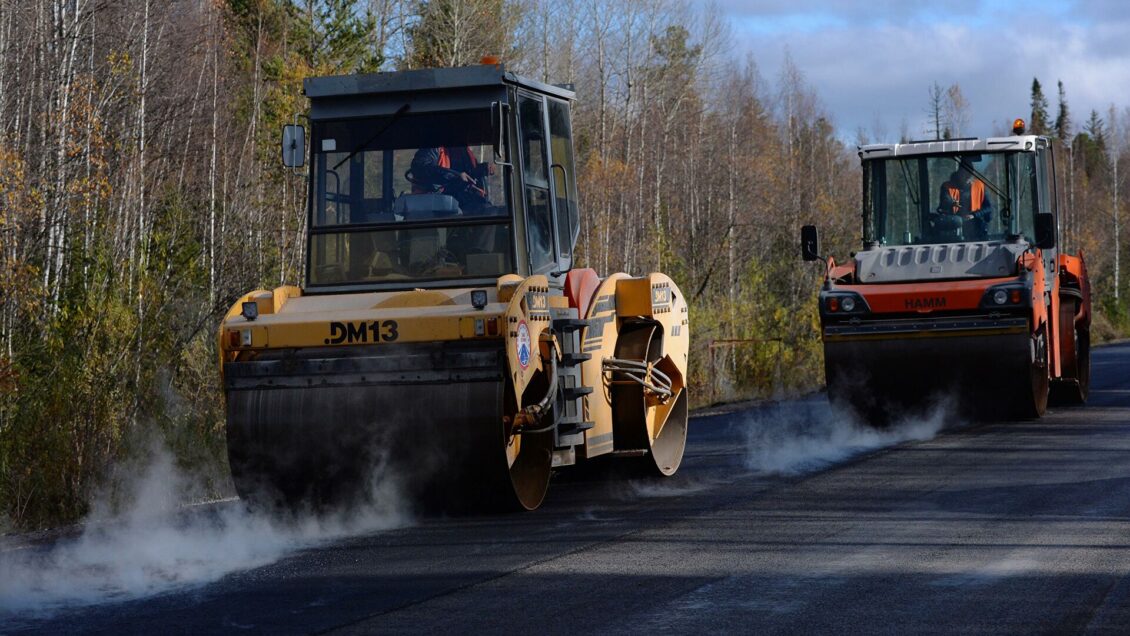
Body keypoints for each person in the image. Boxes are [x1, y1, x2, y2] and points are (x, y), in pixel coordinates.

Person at [409, 146, 493, 212]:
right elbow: (419, 167)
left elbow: (467, 173)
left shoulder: (464, 151)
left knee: (490, 211)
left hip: (461, 199)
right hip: (434, 203)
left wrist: (480, 169)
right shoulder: (433, 148)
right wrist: (453, 176)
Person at [934, 163, 992, 239]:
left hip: (977, 232)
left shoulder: (980, 187)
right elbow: (945, 201)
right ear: (959, 172)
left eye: (970, 173)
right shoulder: (947, 187)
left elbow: (989, 208)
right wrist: (951, 203)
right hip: (953, 232)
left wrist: (974, 215)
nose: (968, 176)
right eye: (965, 172)